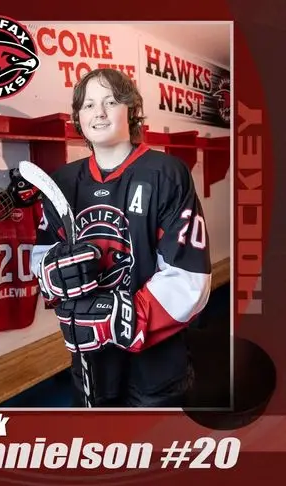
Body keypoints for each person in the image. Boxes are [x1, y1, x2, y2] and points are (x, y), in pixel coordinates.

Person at [31, 68, 212, 408]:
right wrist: (51, 274)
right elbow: (43, 254)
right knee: (101, 451)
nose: (98, 112)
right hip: (90, 362)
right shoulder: (63, 182)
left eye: (110, 101)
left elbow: (191, 277)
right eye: (88, 105)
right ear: (78, 117)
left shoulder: (166, 173)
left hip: (157, 365)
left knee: (154, 453)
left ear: (130, 110)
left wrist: (125, 316)